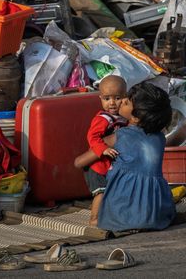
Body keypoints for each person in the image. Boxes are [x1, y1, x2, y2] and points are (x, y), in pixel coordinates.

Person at [97, 82, 176, 232]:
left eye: (125, 102)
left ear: (137, 118)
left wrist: (78, 162)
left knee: (95, 169)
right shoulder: (160, 138)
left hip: (123, 213)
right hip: (157, 212)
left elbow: (93, 152)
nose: (120, 102)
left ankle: (95, 217)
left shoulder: (122, 135)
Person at [73, 75, 128, 226]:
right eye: (107, 98)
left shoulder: (123, 118)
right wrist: (103, 149)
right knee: (101, 192)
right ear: (100, 99)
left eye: (117, 98)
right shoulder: (104, 118)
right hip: (97, 165)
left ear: (125, 98)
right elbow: (92, 136)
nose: (112, 103)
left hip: (110, 165)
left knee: (111, 190)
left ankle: (109, 214)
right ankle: (94, 219)